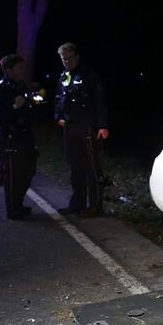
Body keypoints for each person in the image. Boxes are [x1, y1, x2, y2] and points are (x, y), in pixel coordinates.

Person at [54, 42, 109, 215]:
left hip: (89, 128)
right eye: (64, 59)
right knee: (75, 167)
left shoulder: (90, 75)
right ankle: (77, 203)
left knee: (93, 169)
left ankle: (95, 206)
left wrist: (103, 125)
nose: (67, 62)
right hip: (71, 128)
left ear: (77, 56)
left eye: (69, 58)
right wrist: (58, 117)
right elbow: (58, 98)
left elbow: (100, 101)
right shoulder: (64, 76)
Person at [0, 55, 37, 219]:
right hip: (9, 136)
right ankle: (13, 210)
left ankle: (18, 203)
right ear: (9, 70)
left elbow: (28, 107)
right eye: (19, 68)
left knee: (29, 171)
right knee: (13, 175)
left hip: (25, 135)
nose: (23, 71)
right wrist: (14, 107)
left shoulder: (21, 85)